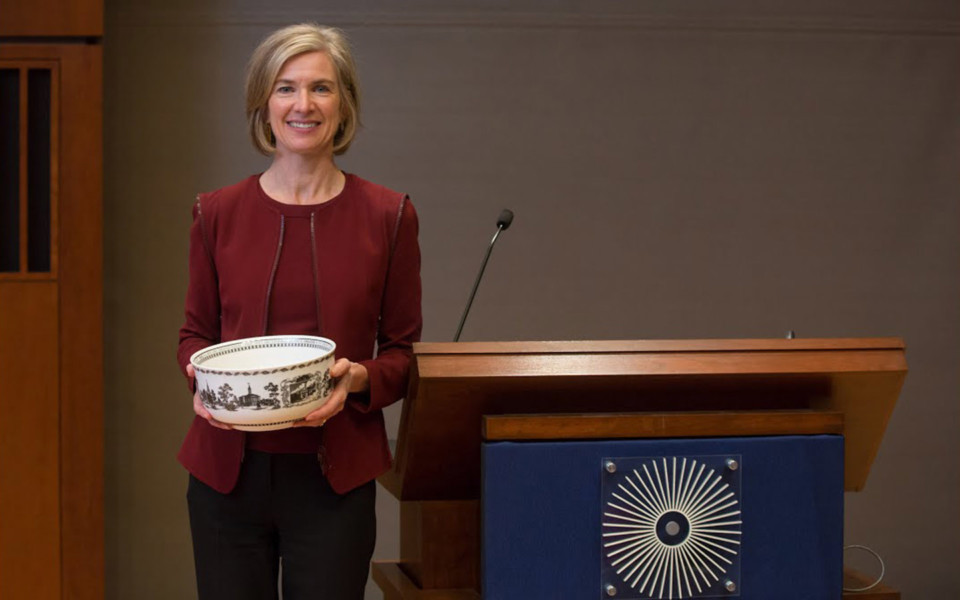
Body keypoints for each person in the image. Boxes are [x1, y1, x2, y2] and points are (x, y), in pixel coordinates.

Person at [176, 23, 422, 600]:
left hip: (334, 482)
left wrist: (357, 378)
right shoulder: (216, 213)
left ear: (345, 104)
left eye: (322, 88)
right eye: (286, 88)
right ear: (264, 104)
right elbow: (193, 335)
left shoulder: (390, 216)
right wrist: (202, 380)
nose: (303, 105)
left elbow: (403, 356)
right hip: (225, 479)